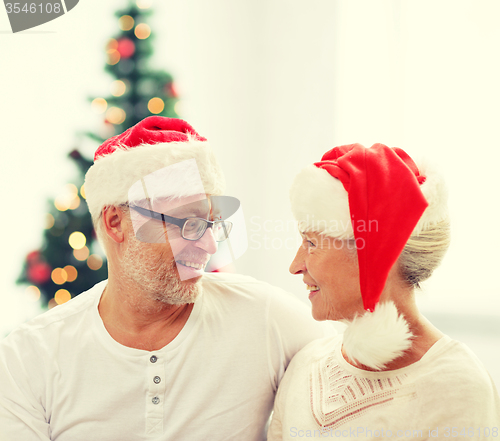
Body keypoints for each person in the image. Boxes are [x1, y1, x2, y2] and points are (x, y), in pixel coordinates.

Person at [0, 117, 329, 441]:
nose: (211, 245)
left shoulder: (266, 319)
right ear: (116, 223)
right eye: (189, 222)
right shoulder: (29, 357)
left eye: (212, 223)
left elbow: (360, 376)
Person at [268, 143, 500, 440]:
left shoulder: (458, 387)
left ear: (376, 257)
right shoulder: (305, 364)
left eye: (311, 243)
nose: (295, 265)